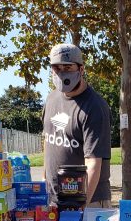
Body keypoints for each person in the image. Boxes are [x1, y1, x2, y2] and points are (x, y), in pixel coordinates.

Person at [42, 42, 112, 208]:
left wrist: (81, 206)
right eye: (56, 68)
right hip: (55, 199)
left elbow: (93, 162)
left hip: (89, 200)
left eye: (67, 68)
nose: (61, 73)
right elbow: (47, 140)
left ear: (81, 69)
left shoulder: (94, 107)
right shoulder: (51, 99)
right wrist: (44, 181)